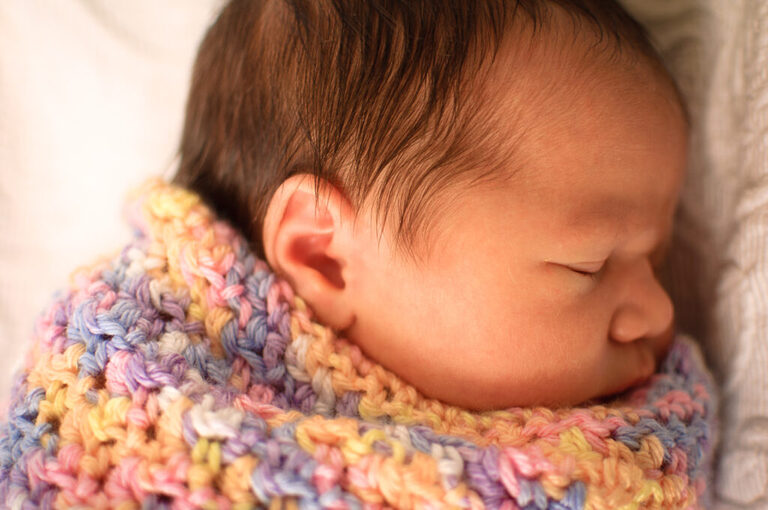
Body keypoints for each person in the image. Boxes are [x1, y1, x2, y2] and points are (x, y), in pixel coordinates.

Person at [0, 1, 718, 508]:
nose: (657, 311)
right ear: (324, 256)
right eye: (589, 266)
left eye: (653, 260)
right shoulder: (126, 396)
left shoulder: (623, 439)